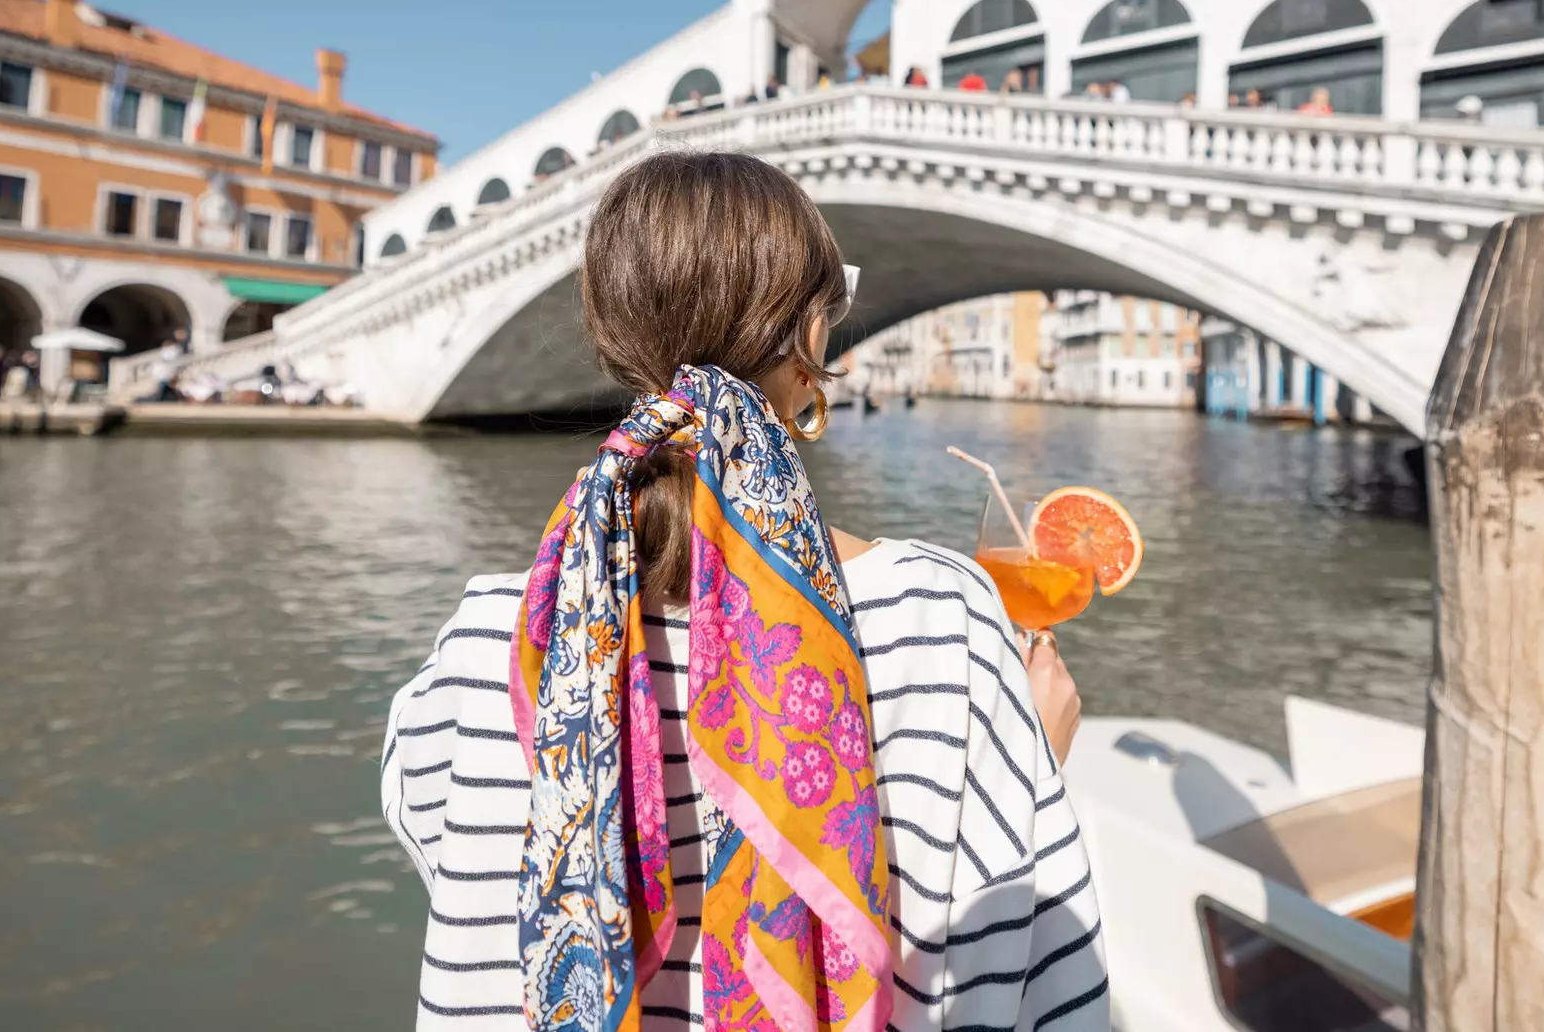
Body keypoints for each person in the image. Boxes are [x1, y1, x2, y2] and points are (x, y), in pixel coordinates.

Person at [384, 153, 1105, 1032]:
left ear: (612, 340)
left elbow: (467, 869)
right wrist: (1030, 752)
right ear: (810, 348)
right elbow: (1007, 962)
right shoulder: (943, 617)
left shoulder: (488, 639)